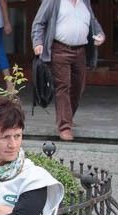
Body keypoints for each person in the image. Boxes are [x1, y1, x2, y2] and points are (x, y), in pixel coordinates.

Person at [32, 0, 104, 142]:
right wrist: (37, 42)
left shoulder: (85, 2)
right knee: (63, 86)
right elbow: (39, 23)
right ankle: (64, 126)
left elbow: (93, 21)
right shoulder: (53, 1)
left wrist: (100, 34)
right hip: (59, 49)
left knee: (78, 86)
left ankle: (67, 117)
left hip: (80, 51)